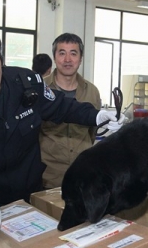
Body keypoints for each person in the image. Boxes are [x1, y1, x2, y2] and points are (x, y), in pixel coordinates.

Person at [0, 21, 122, 242]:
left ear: (0, 59)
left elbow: (61, 107)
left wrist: (96, 116)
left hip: (30, 203)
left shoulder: (26, 84)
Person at [39, 33, 102, 189]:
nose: (67, 59)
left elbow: (92, 132)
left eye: (73, 53)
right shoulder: (40, 89)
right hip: (48, 177)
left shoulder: (92, 92)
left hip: (83, 175)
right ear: (54, 57)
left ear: (80, 58)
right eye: (62, 53)